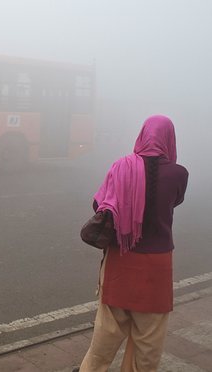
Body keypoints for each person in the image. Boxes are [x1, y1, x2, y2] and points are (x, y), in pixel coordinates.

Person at [76, 115, 188, 371]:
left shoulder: (121, 167)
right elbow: (175, 202)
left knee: (103, 340)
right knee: (147, 345)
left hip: (120, 261)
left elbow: (100, 206)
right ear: (170, 139)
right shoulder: (179, 174)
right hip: (156, 269)